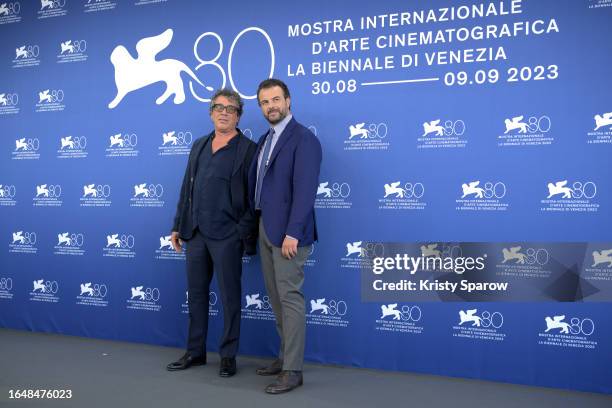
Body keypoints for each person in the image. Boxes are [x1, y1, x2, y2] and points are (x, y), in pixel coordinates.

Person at [167, 88, 257, 377]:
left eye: (230, 108)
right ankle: (195, 352)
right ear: (211, 112)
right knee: (196, 296)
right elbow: (187, 189)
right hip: (195, 234)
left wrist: (240, 232)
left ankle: (228, 356)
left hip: (227, 237)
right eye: (219, 107)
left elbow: (255, 198)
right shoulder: (199, 145)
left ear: (238, 115)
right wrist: (178, 226)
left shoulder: (249, 149)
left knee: (230, 298)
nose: (224, 112)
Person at [249, 78, 322, 394]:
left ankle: (293, 370)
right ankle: (283, 357)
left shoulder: (303, 139)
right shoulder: (266, 139)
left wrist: (293, 232)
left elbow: (305, 192)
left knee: (289, 299)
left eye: (276, 99)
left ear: (288, 101)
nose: (271, 106)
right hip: (266, 228)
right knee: (276, 298)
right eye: (265, 102)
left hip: (290, 234)